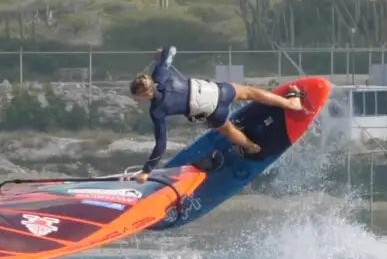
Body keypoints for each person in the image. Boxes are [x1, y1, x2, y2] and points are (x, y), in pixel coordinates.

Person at [128, 45, 305, 184]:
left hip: (213, 111)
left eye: (136, 97)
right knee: (250, 92)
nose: (136, 100)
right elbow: (170, 50)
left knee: (226, 129)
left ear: (145, 95)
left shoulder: (157, 110)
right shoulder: (160, 74)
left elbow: (161, 145)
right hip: (218, 91)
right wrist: (161, 53)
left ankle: (252, 147)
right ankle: (291, 103)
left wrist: (146, 171)